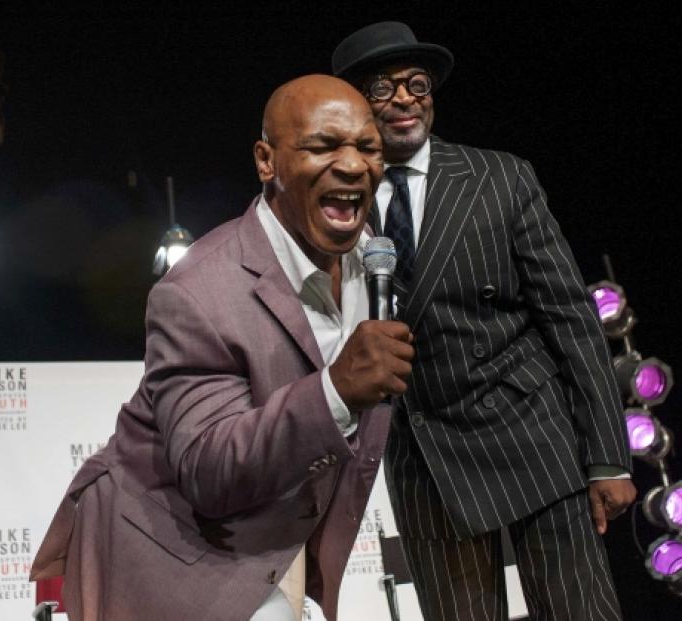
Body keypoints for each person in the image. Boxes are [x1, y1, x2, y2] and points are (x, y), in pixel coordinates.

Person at [29, 74, 415, 621]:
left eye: (367, 147)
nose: (353, 165)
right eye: (323, 146)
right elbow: (210, 470)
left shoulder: (372, 255)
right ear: (266, 161)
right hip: (175, 548)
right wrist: (336, 390)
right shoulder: (196, 292)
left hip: (277, 532)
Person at [332, 22, 637, 620]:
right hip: (423, 455)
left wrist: (607, 455)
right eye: (381, 88)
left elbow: (572, 320)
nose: (403, 99)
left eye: (416, 84)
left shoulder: (500, 178)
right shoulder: (336, 200)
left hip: (531, 435)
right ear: (351, 106)